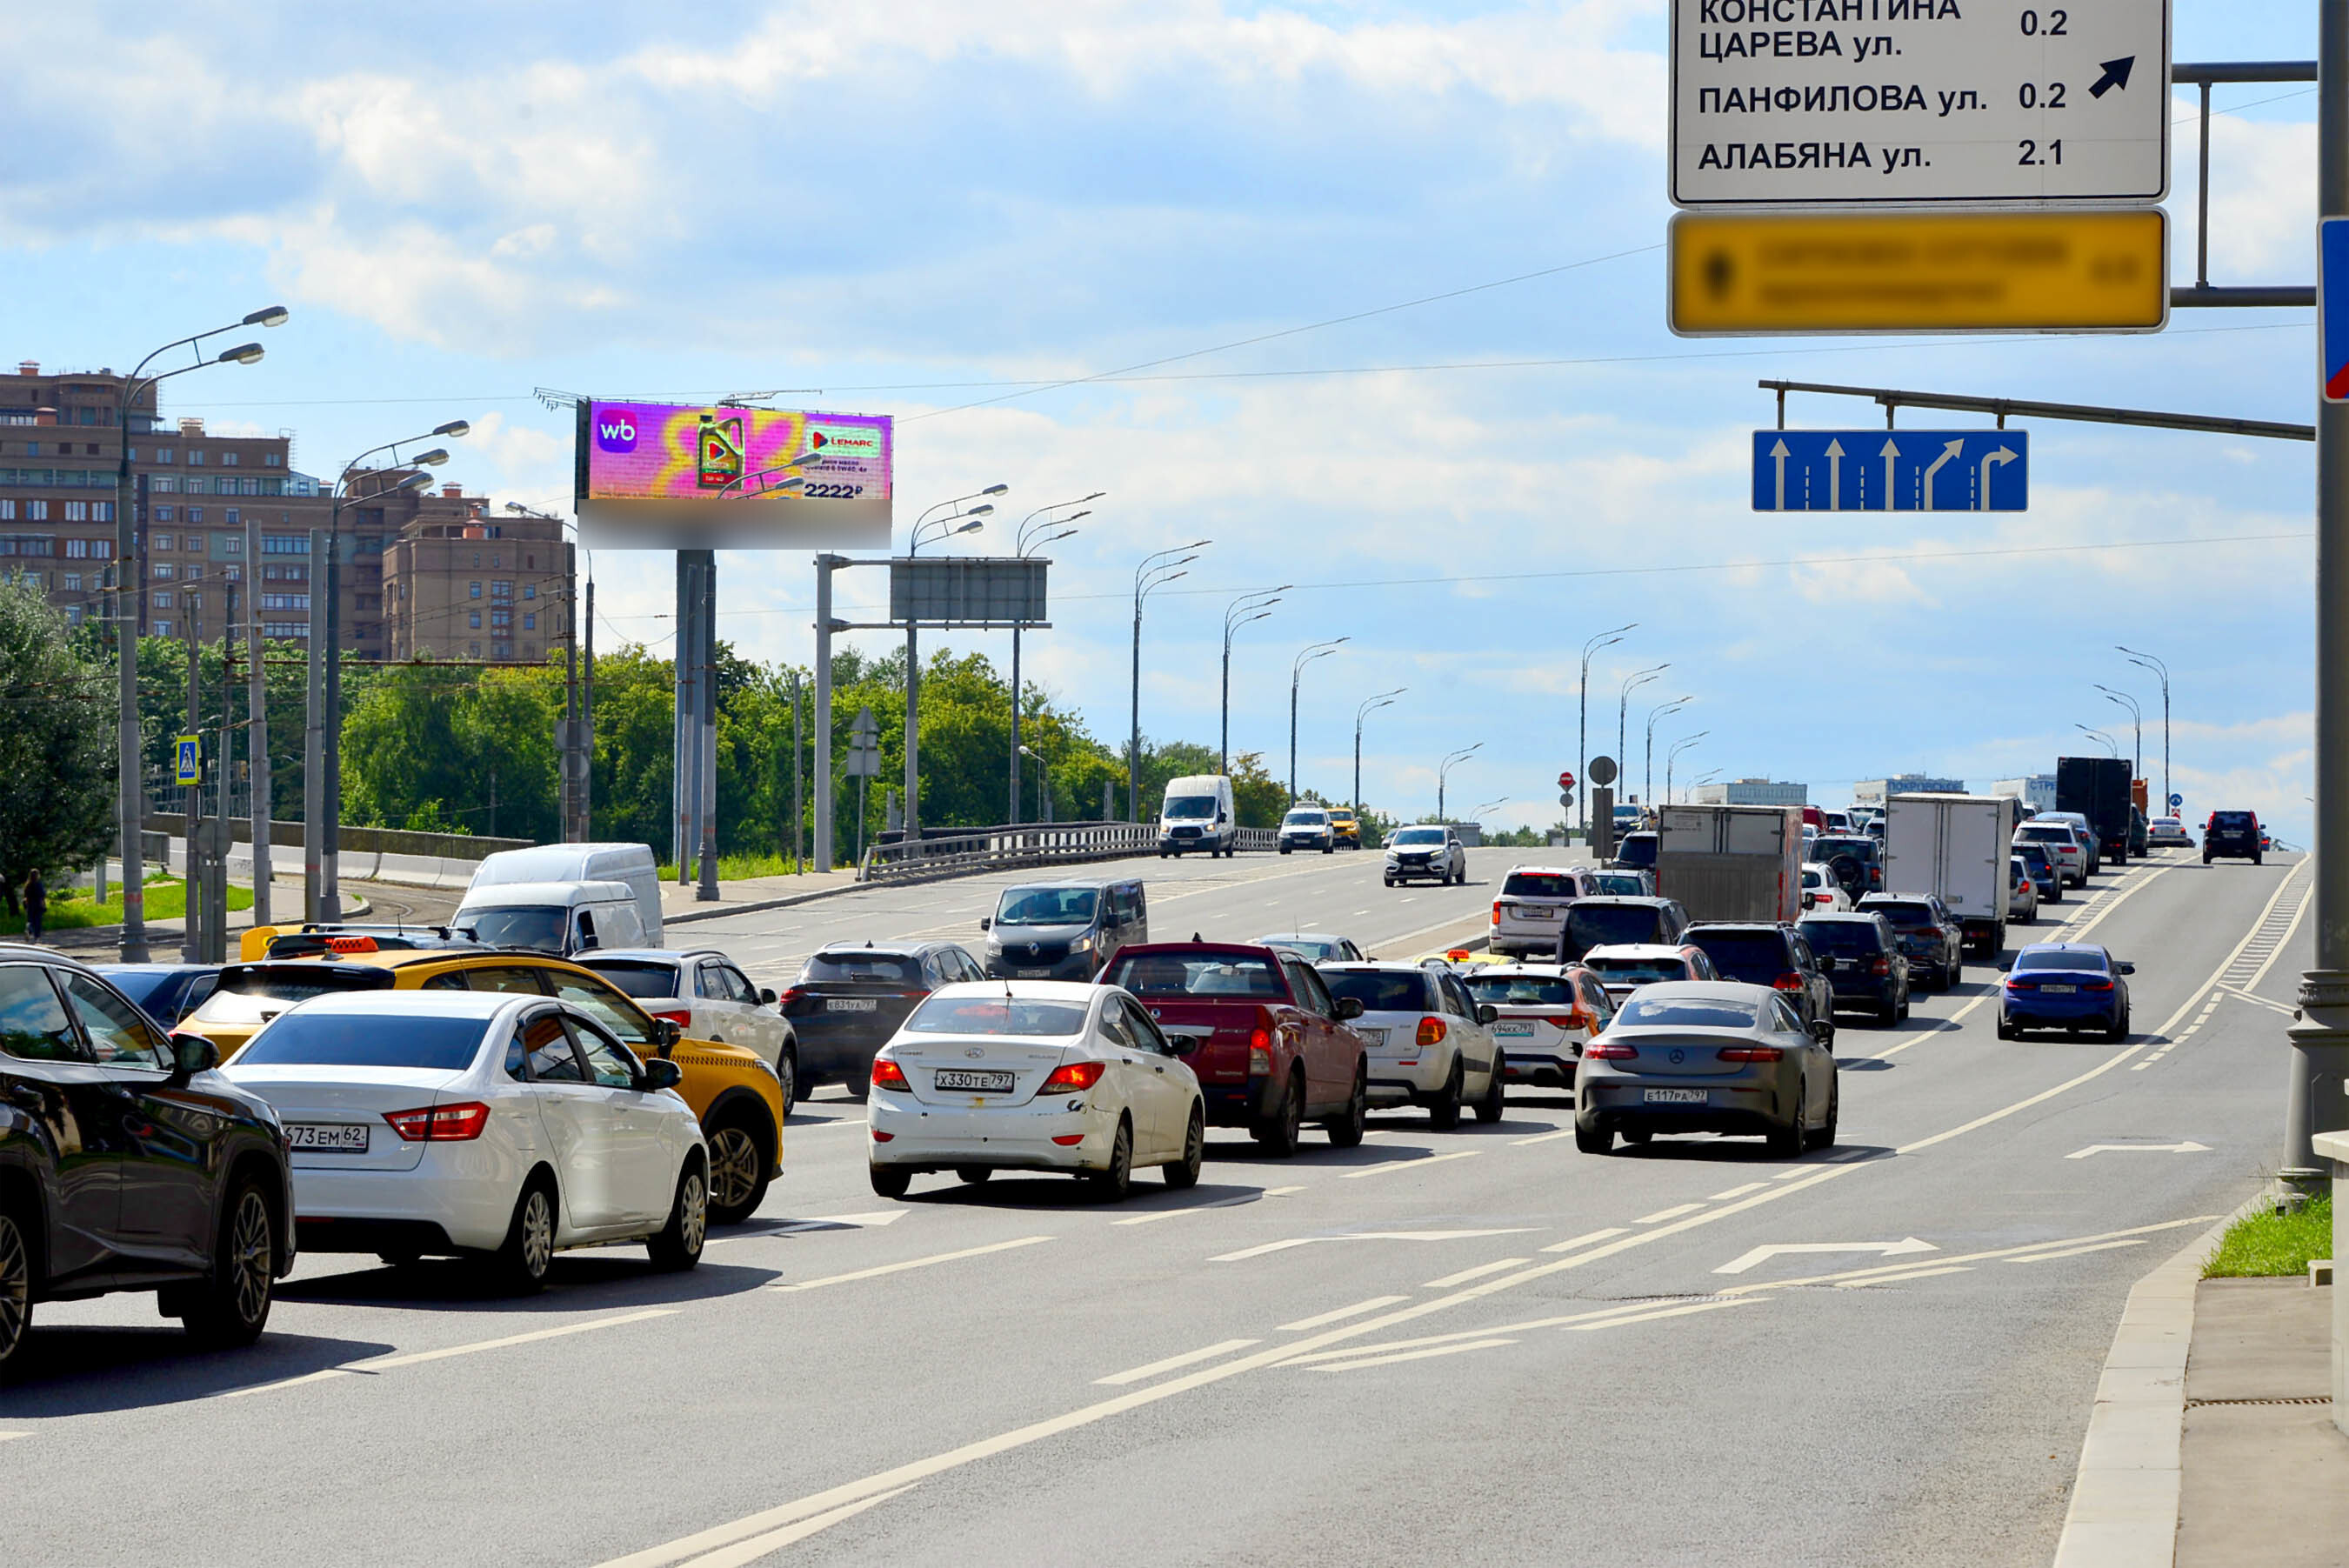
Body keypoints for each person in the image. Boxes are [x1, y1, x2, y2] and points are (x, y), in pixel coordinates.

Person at [23, 869, 46, 944]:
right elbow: (42, 895)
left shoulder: (28, 884)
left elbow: (26, 896)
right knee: (37, 921)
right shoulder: (38, 884)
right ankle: (37, 937)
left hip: (30, 904)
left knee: (30, 920)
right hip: (38, 904)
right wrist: (43, 903)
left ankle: (28, 930)